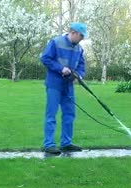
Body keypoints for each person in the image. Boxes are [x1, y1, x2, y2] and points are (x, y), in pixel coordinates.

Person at [40, 22, 87, 154]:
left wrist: (79, 75)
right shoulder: (56, 42)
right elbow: (45, 59)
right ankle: (48, 144)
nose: (82, 39)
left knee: (69, 114)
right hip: (54, 84)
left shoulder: (79, 49)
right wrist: (61, 69)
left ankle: (66, 143)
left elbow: (81, 66)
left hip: (68, 86)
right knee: (51, 114)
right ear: (73, 33)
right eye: (81, 36)